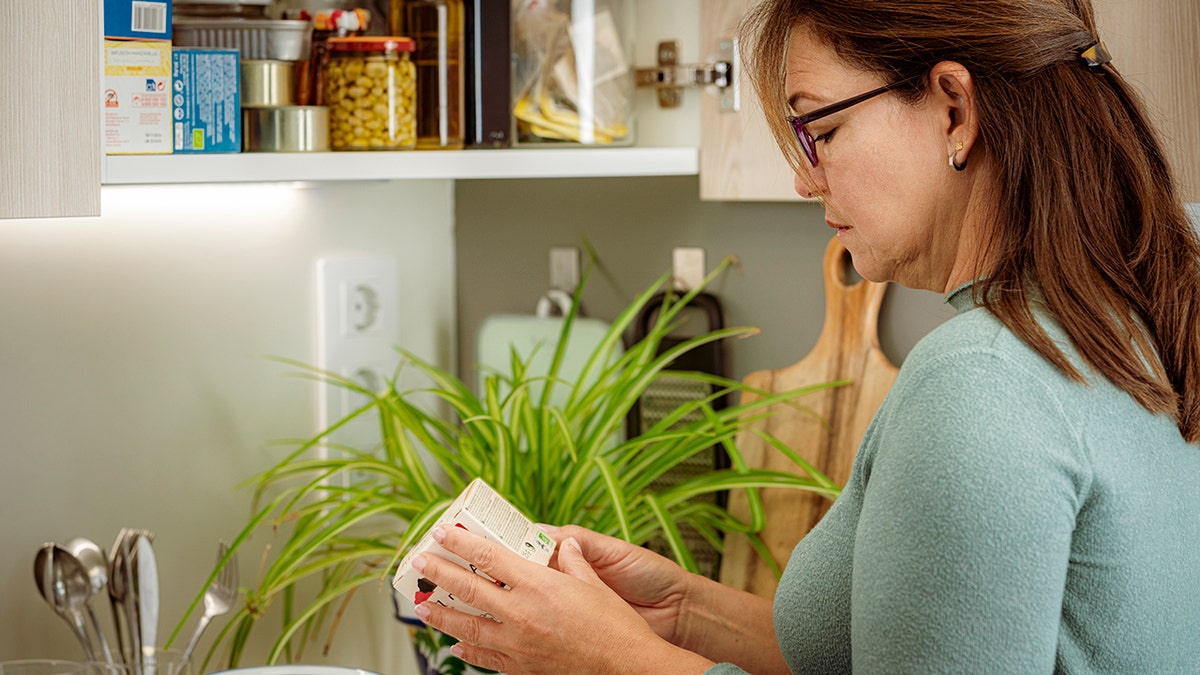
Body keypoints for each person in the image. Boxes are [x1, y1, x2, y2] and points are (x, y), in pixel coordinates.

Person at [407, 0, 1200, 671]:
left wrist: (613, 658)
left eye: (818, 126)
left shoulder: (984, 381)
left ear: (954, 109)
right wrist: (682, 613)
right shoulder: (1142, 299)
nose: (803, 174)